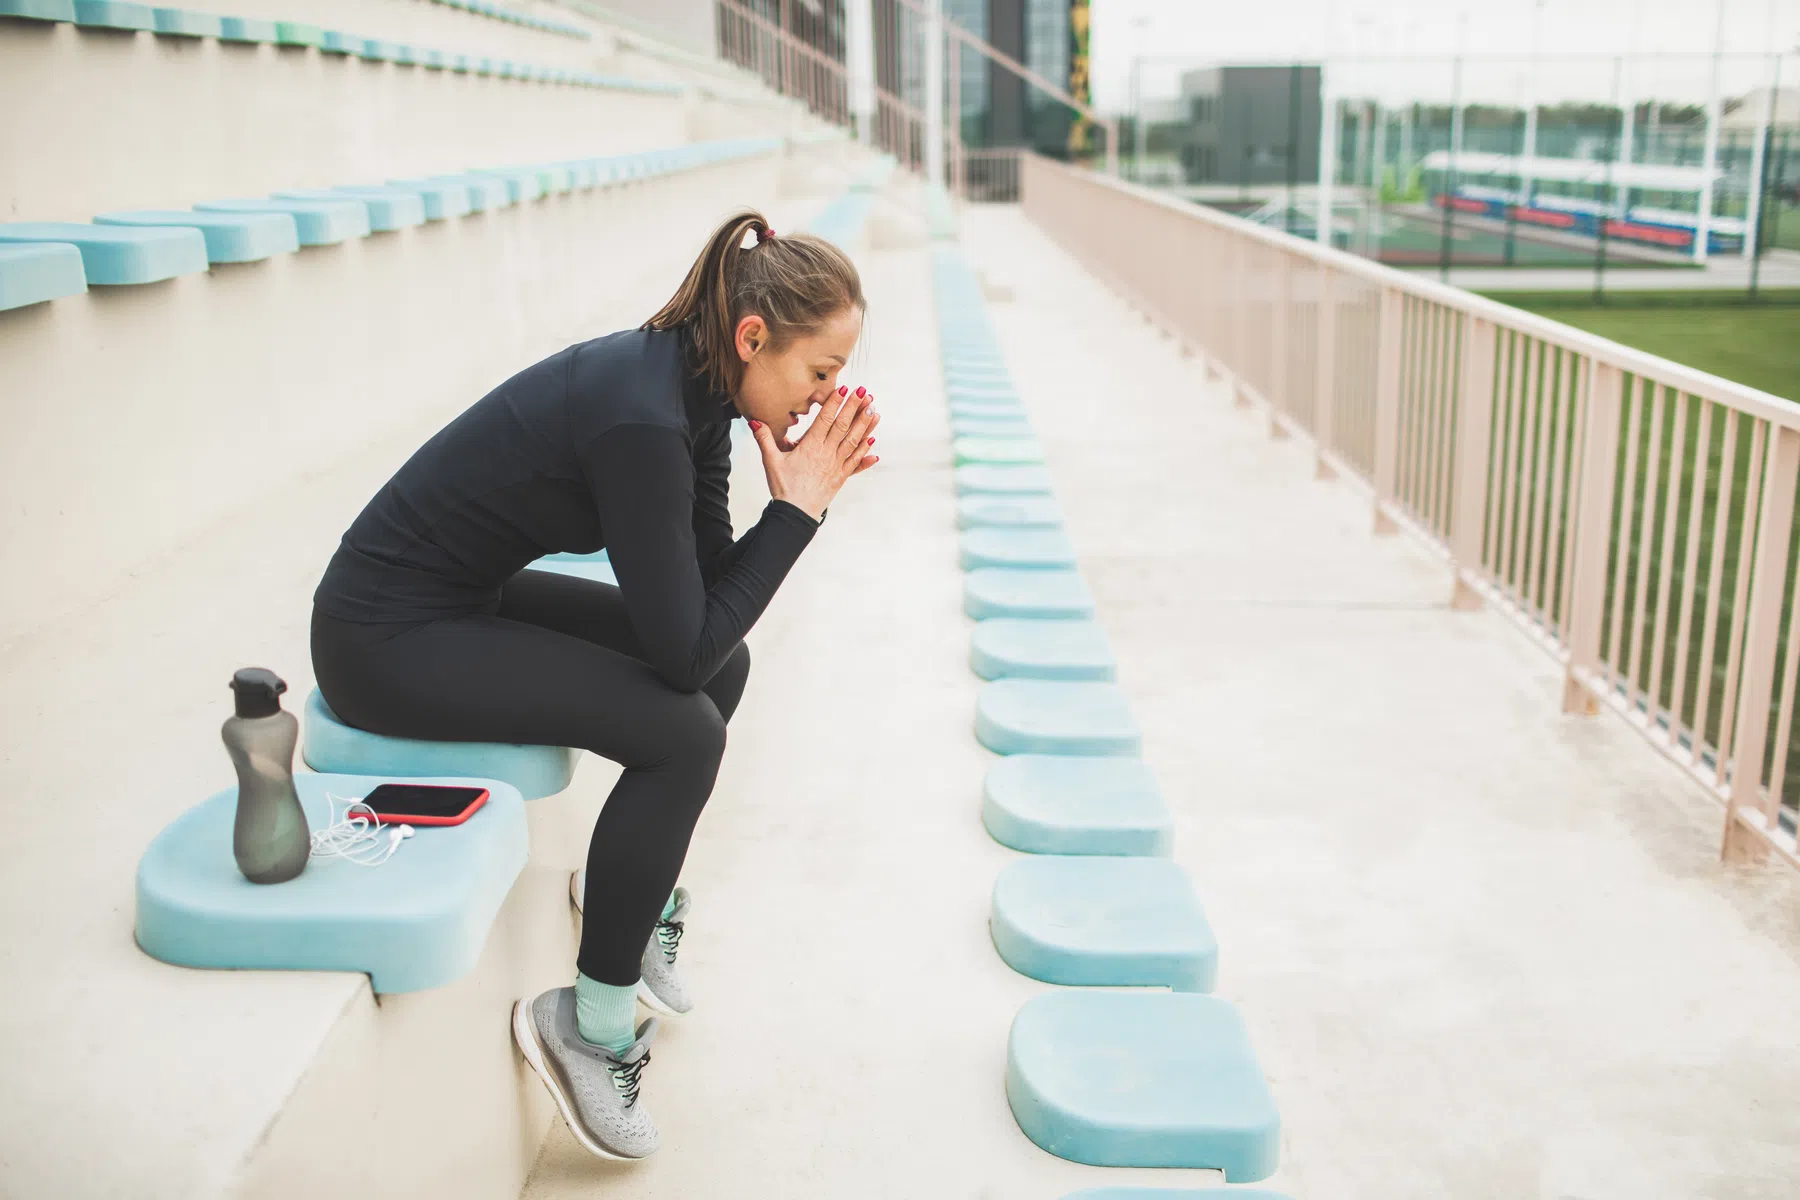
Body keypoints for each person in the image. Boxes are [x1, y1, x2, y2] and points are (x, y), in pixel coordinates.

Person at [308, 210, 877, 1160]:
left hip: (459, 599)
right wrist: (798, 512)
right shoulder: (643, 420)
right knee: (685, 734)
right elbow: (680, 655)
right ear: (752, 338)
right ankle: (589, 1025)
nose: (826, 399)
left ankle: (624, 900)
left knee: (725, 670)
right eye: (820, 373)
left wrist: (789, 511)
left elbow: (706, 614)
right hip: (382, 636)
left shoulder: (696, 394)